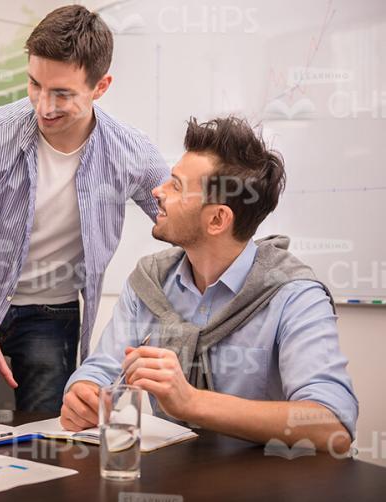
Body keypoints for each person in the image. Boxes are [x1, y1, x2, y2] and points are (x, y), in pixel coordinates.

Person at [60, 117, 358, 454]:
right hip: (171, 480)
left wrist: (191, 402)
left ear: (217, 219)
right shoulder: (149, 281)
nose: (157, 191)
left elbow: (331, 422)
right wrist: (84, 392)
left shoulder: (294, 294)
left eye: (175, 186)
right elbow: (102, 369)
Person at [0, 4, 168, 412]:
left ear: (101, 86)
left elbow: (178, 219)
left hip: (52, 317)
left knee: (47, 441)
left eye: (62, 93)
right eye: (35, 84)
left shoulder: (132, 152)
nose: (44, 105)